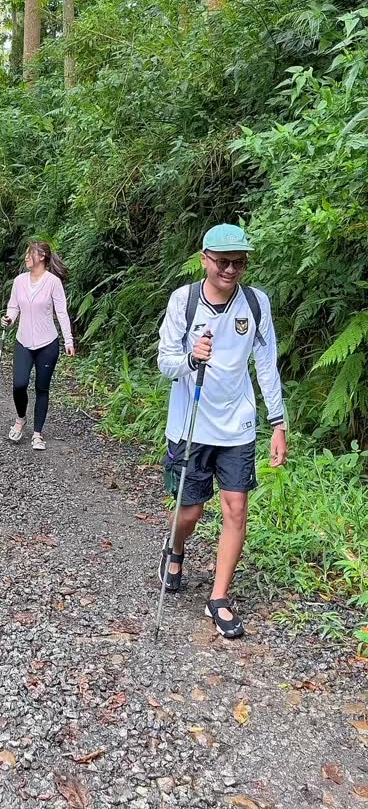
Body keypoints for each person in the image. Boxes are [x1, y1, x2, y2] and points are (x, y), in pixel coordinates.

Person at [157, 223, 287, 639]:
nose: (230, 270)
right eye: (222, 262)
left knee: (236, 509)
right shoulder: (184, 301)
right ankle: (175, 548)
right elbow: (165, 362)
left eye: (239, 262)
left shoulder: (255, 303)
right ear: (204, 260)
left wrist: (278, 422)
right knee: (189, 511)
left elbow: (266, 364)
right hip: (190, 423)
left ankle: (218, 597)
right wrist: (191, 360)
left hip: (238, 425)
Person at [2, 241, 75, 451]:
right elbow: (13, 307)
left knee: (42, 388)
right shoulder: (19, 281)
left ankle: (37, 434)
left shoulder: (53, 282)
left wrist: (68, 340)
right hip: (23, 340)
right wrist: (9, 319)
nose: (26, 258)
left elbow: (61, 312)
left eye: (29, 254)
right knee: (19, 384)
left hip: (47, 343)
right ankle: (20, 418)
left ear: (41, 256)